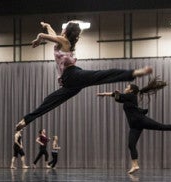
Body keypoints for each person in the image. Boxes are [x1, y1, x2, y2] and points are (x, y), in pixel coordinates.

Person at [15, 21, 153, 131]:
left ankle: (134, 73)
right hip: (70, 83)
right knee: (51, 100)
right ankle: (26, 120)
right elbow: (51, 34)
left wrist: (39, 38)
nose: (61, 30)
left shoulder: (65, 42)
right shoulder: (60, 41)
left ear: (66, 31)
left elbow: (43, 35)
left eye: (64, 28)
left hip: (73, 75)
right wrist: (48, 26)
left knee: (101, 75)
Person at [97, 81, 171, 174]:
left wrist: (115, 94)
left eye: (127, 87)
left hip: (141, 120)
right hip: (134, 126)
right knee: (131, 145)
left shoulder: (131, 96)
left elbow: (118, 96)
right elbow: (117, 97)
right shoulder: (127, 98)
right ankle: (135, 165)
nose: (125, 87)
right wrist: (106, 94)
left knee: (162, 127)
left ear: (131, 90)